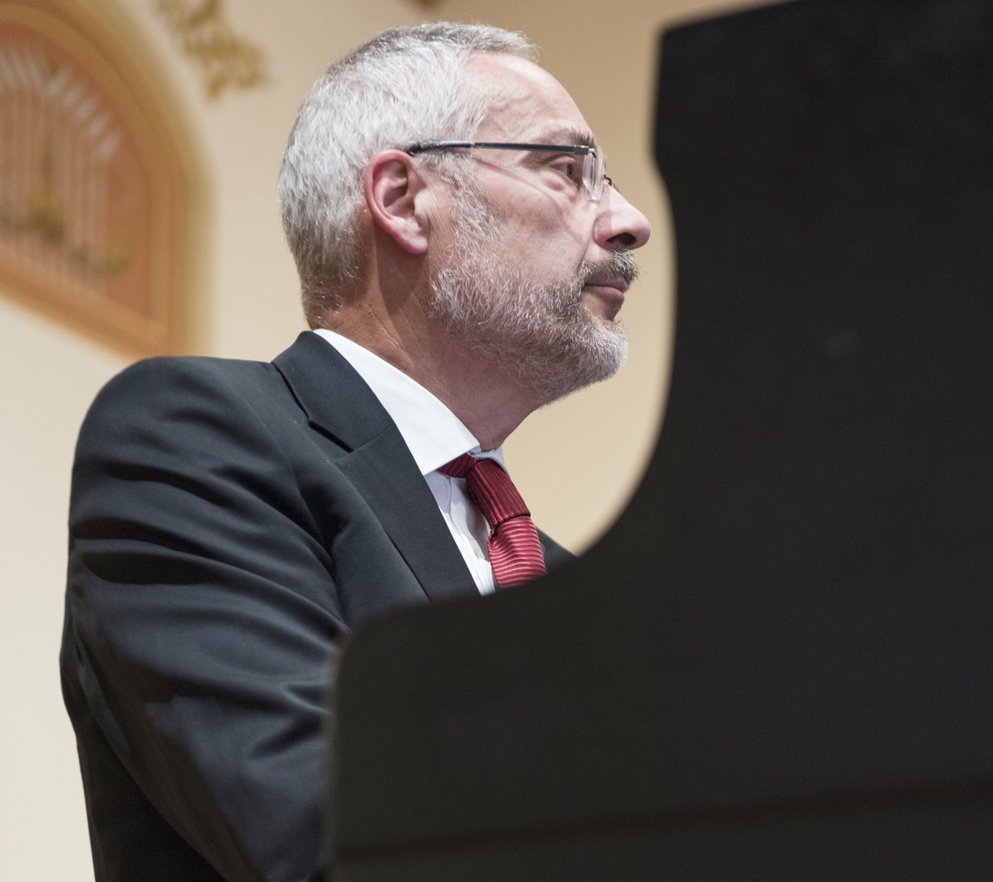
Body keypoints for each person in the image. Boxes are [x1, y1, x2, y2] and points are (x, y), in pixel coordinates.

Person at [60, 22, 651, 881]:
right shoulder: (195, 438)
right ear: (405, 199)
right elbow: (333, 838)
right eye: (569, 170)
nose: (628, 222)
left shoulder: (561, 584)